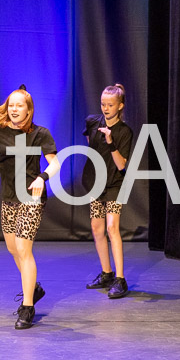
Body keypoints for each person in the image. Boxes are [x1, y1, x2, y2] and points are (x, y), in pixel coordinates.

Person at [0, 85, 59, 329]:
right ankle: (33, 287)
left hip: (31, 198)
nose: (14, 109)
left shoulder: (40, 134)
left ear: (28, 109)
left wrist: (42, 178)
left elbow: (55, 163)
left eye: (19, 105)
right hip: (9, 197)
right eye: (11, 105)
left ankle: (28, 306)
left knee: (23, 248)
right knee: (13, 249)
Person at [82, 84, 133, 298]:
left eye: (110, 105)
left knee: (112, 228)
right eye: (103, 104)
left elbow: (121, 165)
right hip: (96, 183)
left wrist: (111, 143)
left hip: (115, 184)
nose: (105, 108)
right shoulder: (93, 122)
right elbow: (91, 145)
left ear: (120, 106)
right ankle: (107, 273)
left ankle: (120, 279)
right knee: (97, 228)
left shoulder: (124, 132)